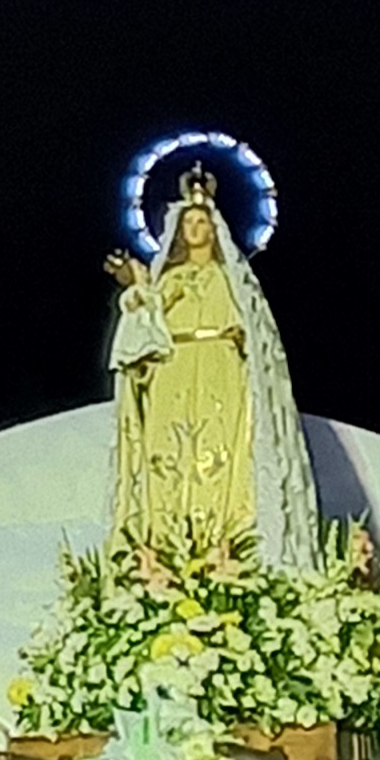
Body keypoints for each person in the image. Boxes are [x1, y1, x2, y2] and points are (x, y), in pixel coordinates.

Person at [105, 162, 320, 571]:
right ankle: (166, 549)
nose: (194, 229)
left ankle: (223, 548)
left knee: (220, 455)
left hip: (221, 370)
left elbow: (256, 336)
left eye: (202, 221)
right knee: (166, 456)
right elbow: (145, 325)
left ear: (215, 228)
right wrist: (138, 288)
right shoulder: (168, 280)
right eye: (188, 222)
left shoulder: (232, 280)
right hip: (173, 368)